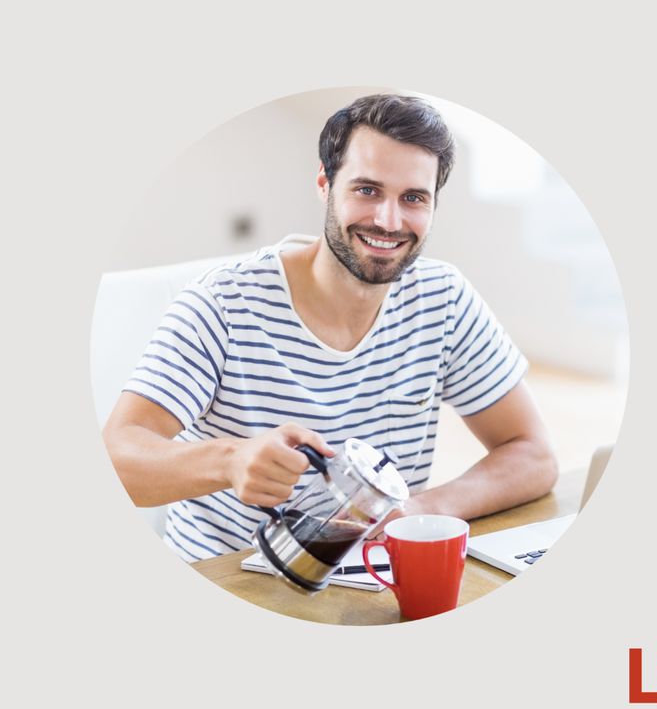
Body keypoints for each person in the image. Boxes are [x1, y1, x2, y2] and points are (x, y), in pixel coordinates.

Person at [103, 93, 558, 562]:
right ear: (325, 184)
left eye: (413, 198)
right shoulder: (221, 304)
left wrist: (419, 510)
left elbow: (534, 454)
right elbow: (116, 457)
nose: (388, 220)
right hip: (229, 579)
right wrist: (229, 460)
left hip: (369, 584)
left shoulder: (443, 298)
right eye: (367, 190)